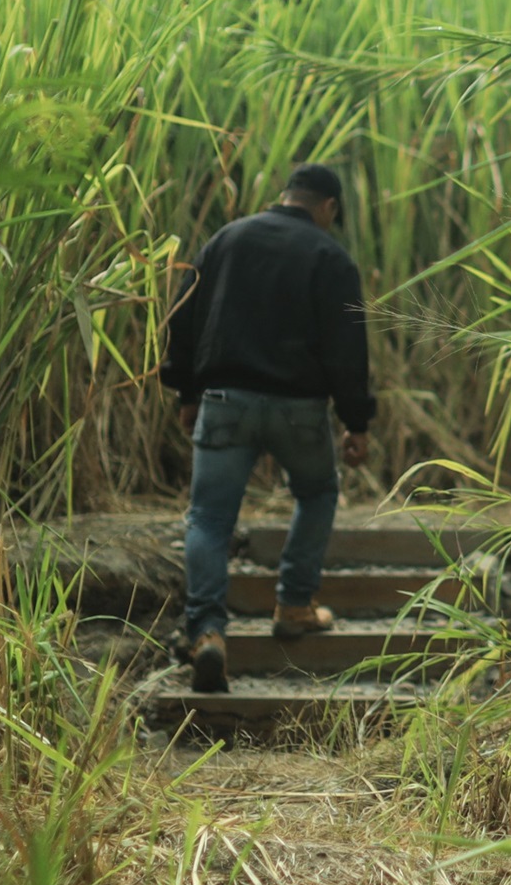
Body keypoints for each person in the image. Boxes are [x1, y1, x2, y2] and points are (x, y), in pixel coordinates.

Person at [159, 163, 375, 692]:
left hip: (224, 401)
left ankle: (207, 632)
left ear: (285, 195)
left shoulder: (226, 240)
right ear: (328, 207)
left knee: (208, 519)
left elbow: (182, 318)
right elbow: (348, 349)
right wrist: (356, 421)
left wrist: (187, 393)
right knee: (318, 492)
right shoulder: (331, 257)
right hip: (299, 408)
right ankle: (295, 603)